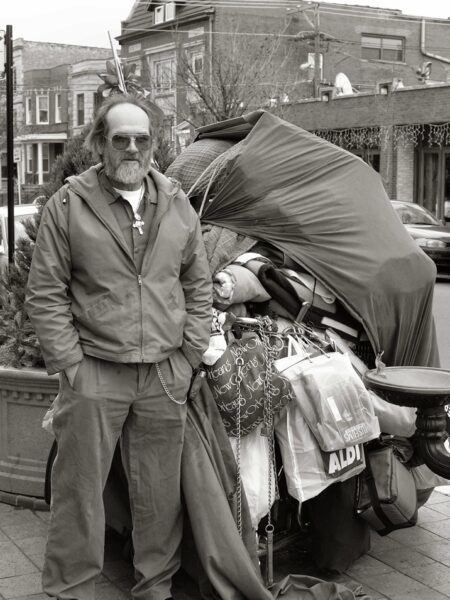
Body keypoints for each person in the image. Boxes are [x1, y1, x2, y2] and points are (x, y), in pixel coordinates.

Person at [25, 93, 212, 600]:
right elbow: (45, 292)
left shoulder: (176, 202)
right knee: (79, 490)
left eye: (142, 138)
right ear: (100, 145)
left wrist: (188, 356)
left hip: (163, 375)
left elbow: (198, 285)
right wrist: (72, 365)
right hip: (95, 372)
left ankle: (155, 587)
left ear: (155, 144)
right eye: (120, 138)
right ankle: (71, 589)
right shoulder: (70, 202)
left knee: (159, 492)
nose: (132, 148)